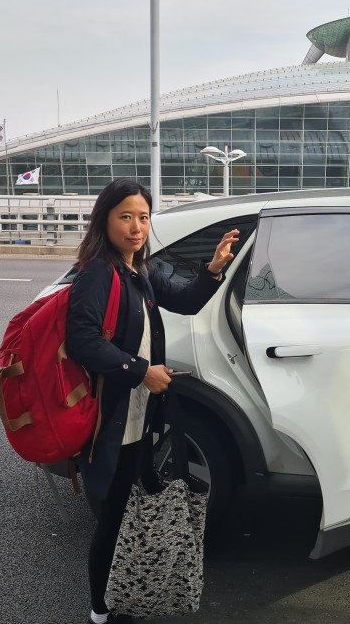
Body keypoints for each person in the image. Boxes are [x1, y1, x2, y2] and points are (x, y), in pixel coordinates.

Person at [66, 178, 239, 624]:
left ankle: (119, 596)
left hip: (139, 416)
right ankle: (99, 610)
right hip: (111, 420)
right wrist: (142, 371)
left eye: (143, 217)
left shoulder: (139, 271)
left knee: (127, 512)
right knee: (110, 517)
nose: (137, 226)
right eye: (125, 216)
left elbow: (185, 300)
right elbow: (83, 342)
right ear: (104, 220)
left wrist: (215, 268)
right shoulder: (97, 273)